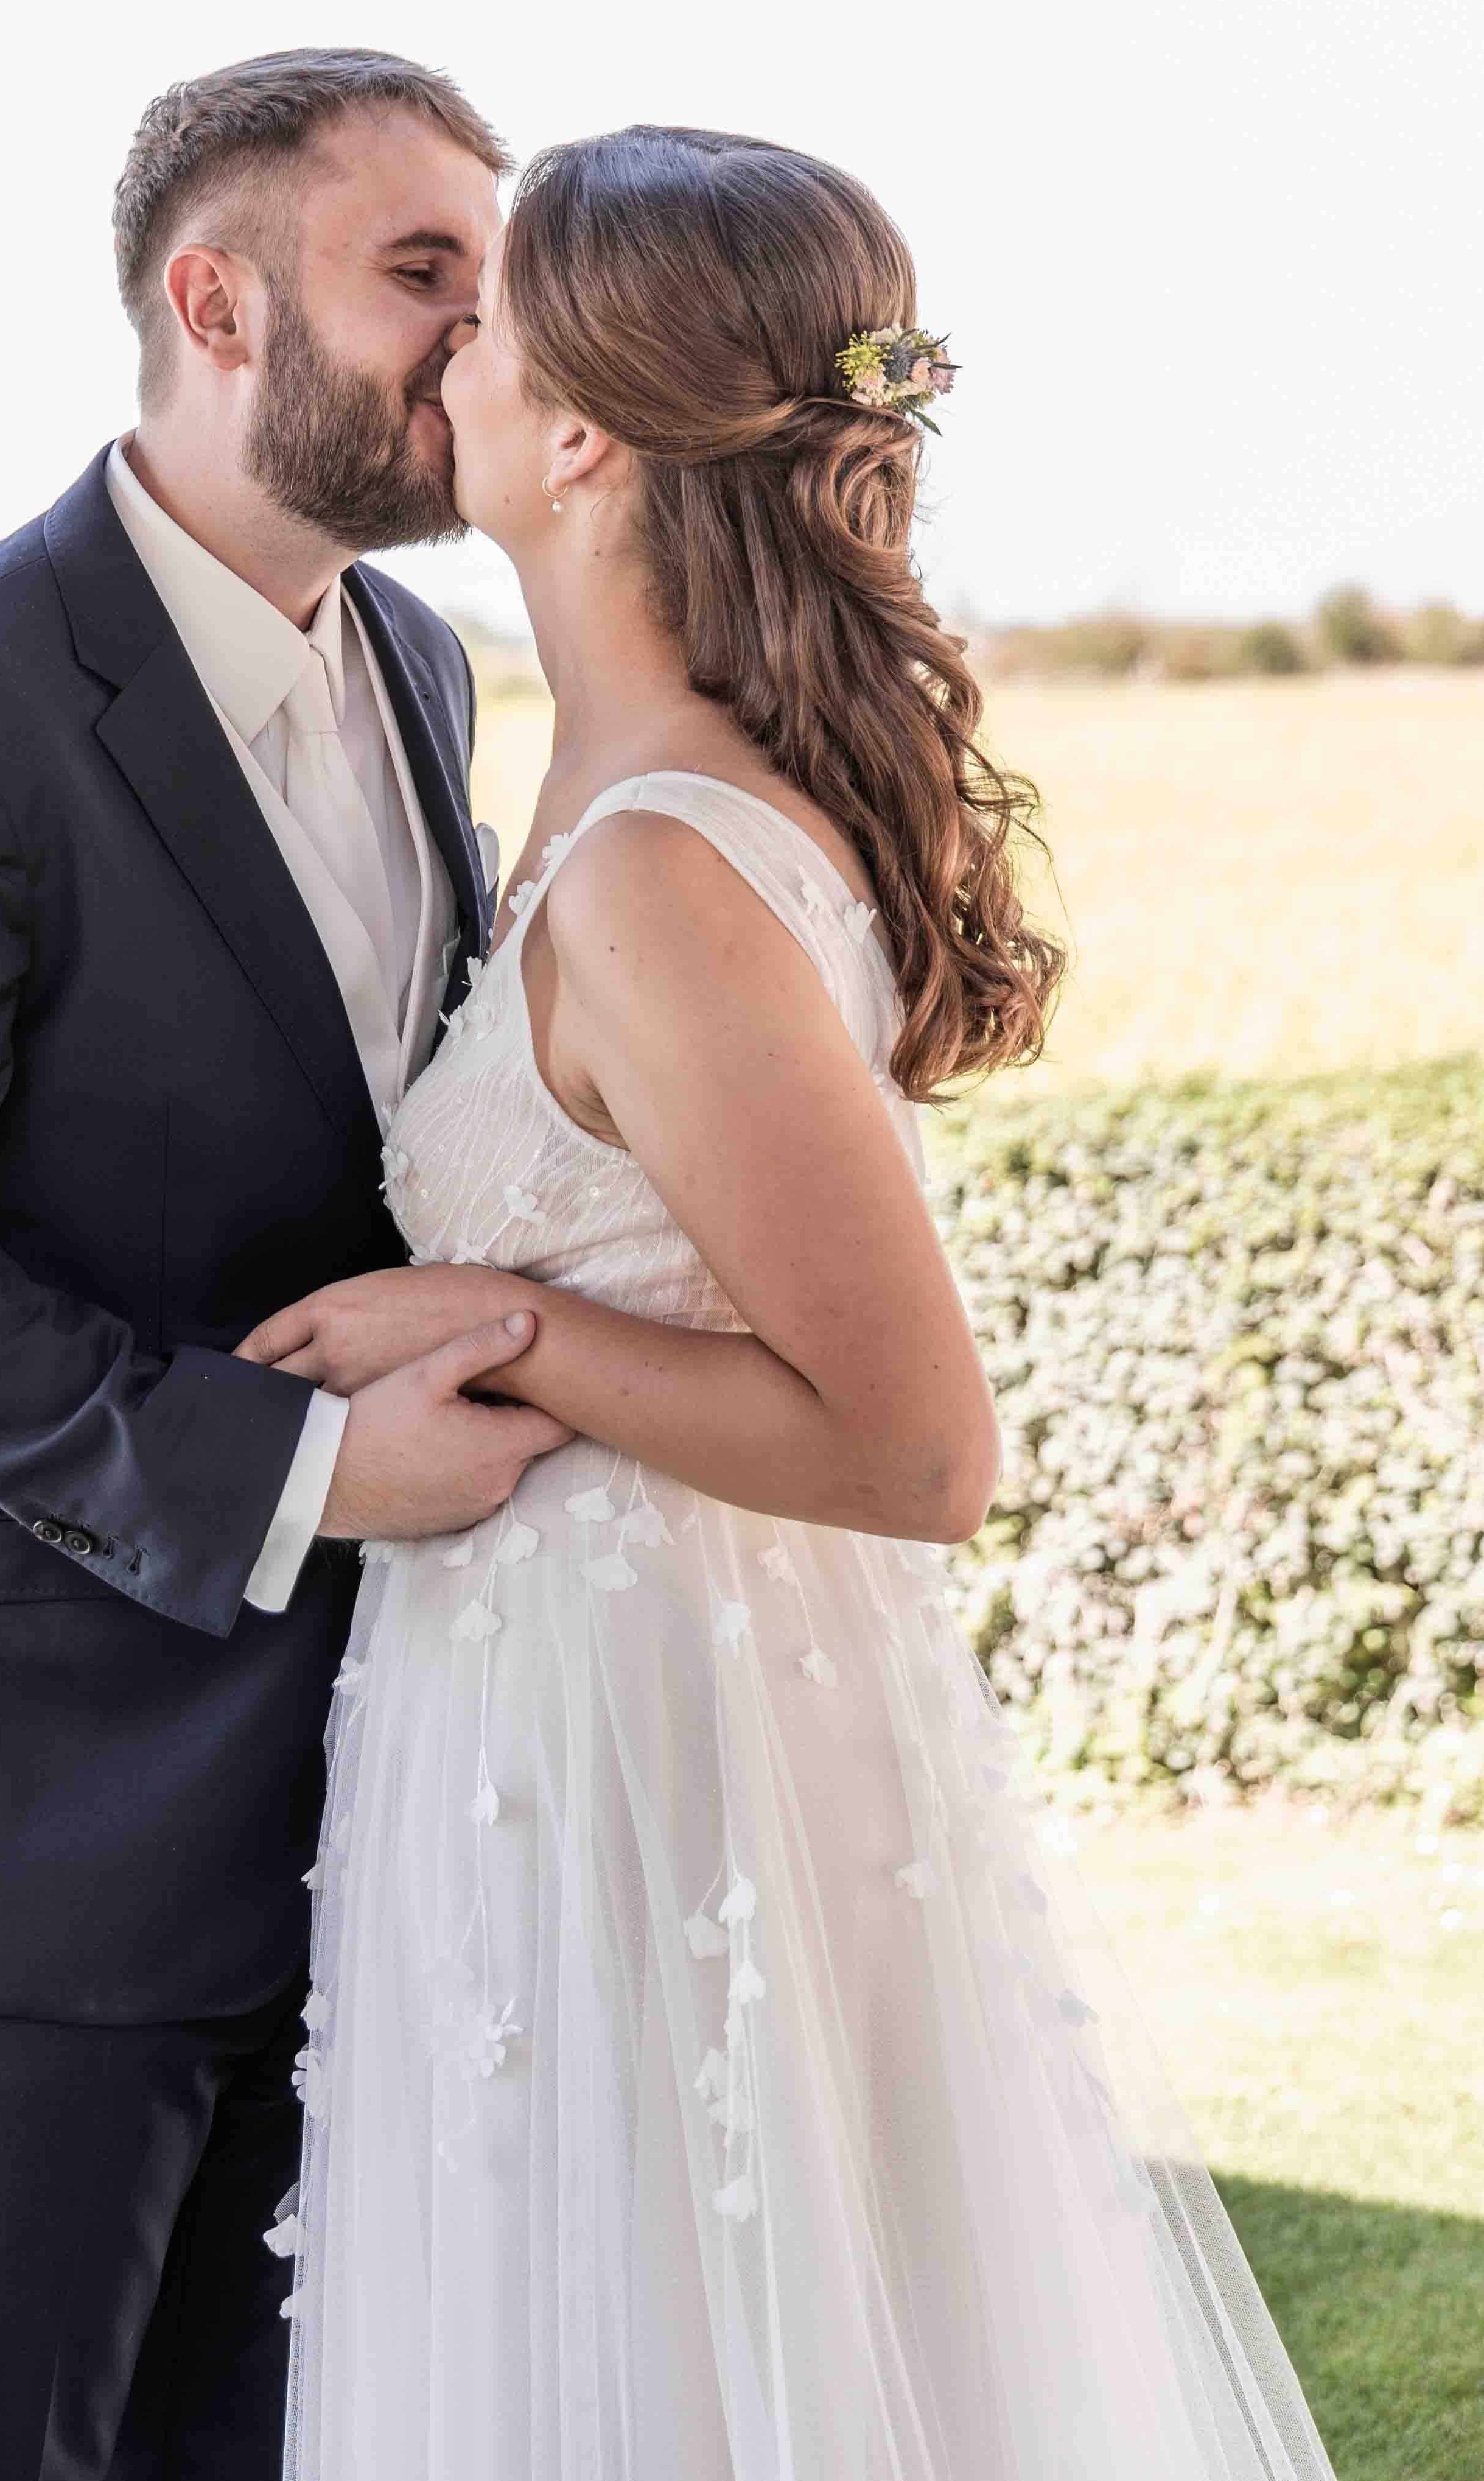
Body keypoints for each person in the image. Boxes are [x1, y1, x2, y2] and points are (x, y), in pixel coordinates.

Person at [243, 126, 1339, 2479]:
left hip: (664, 1762)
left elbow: (915, 1447)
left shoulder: (658, 869)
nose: (445, 355)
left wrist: (494, 1321)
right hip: (559, 1722)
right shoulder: (598, 796)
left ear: (580, 441)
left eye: (486, 319)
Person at [0, 48, 575, 2480]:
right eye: (420, 271)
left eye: (491, 274)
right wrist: (301, 1466)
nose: (482, 334)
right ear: (217, 303)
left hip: (348, 1798)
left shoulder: (421, 662)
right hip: (17, 1824)